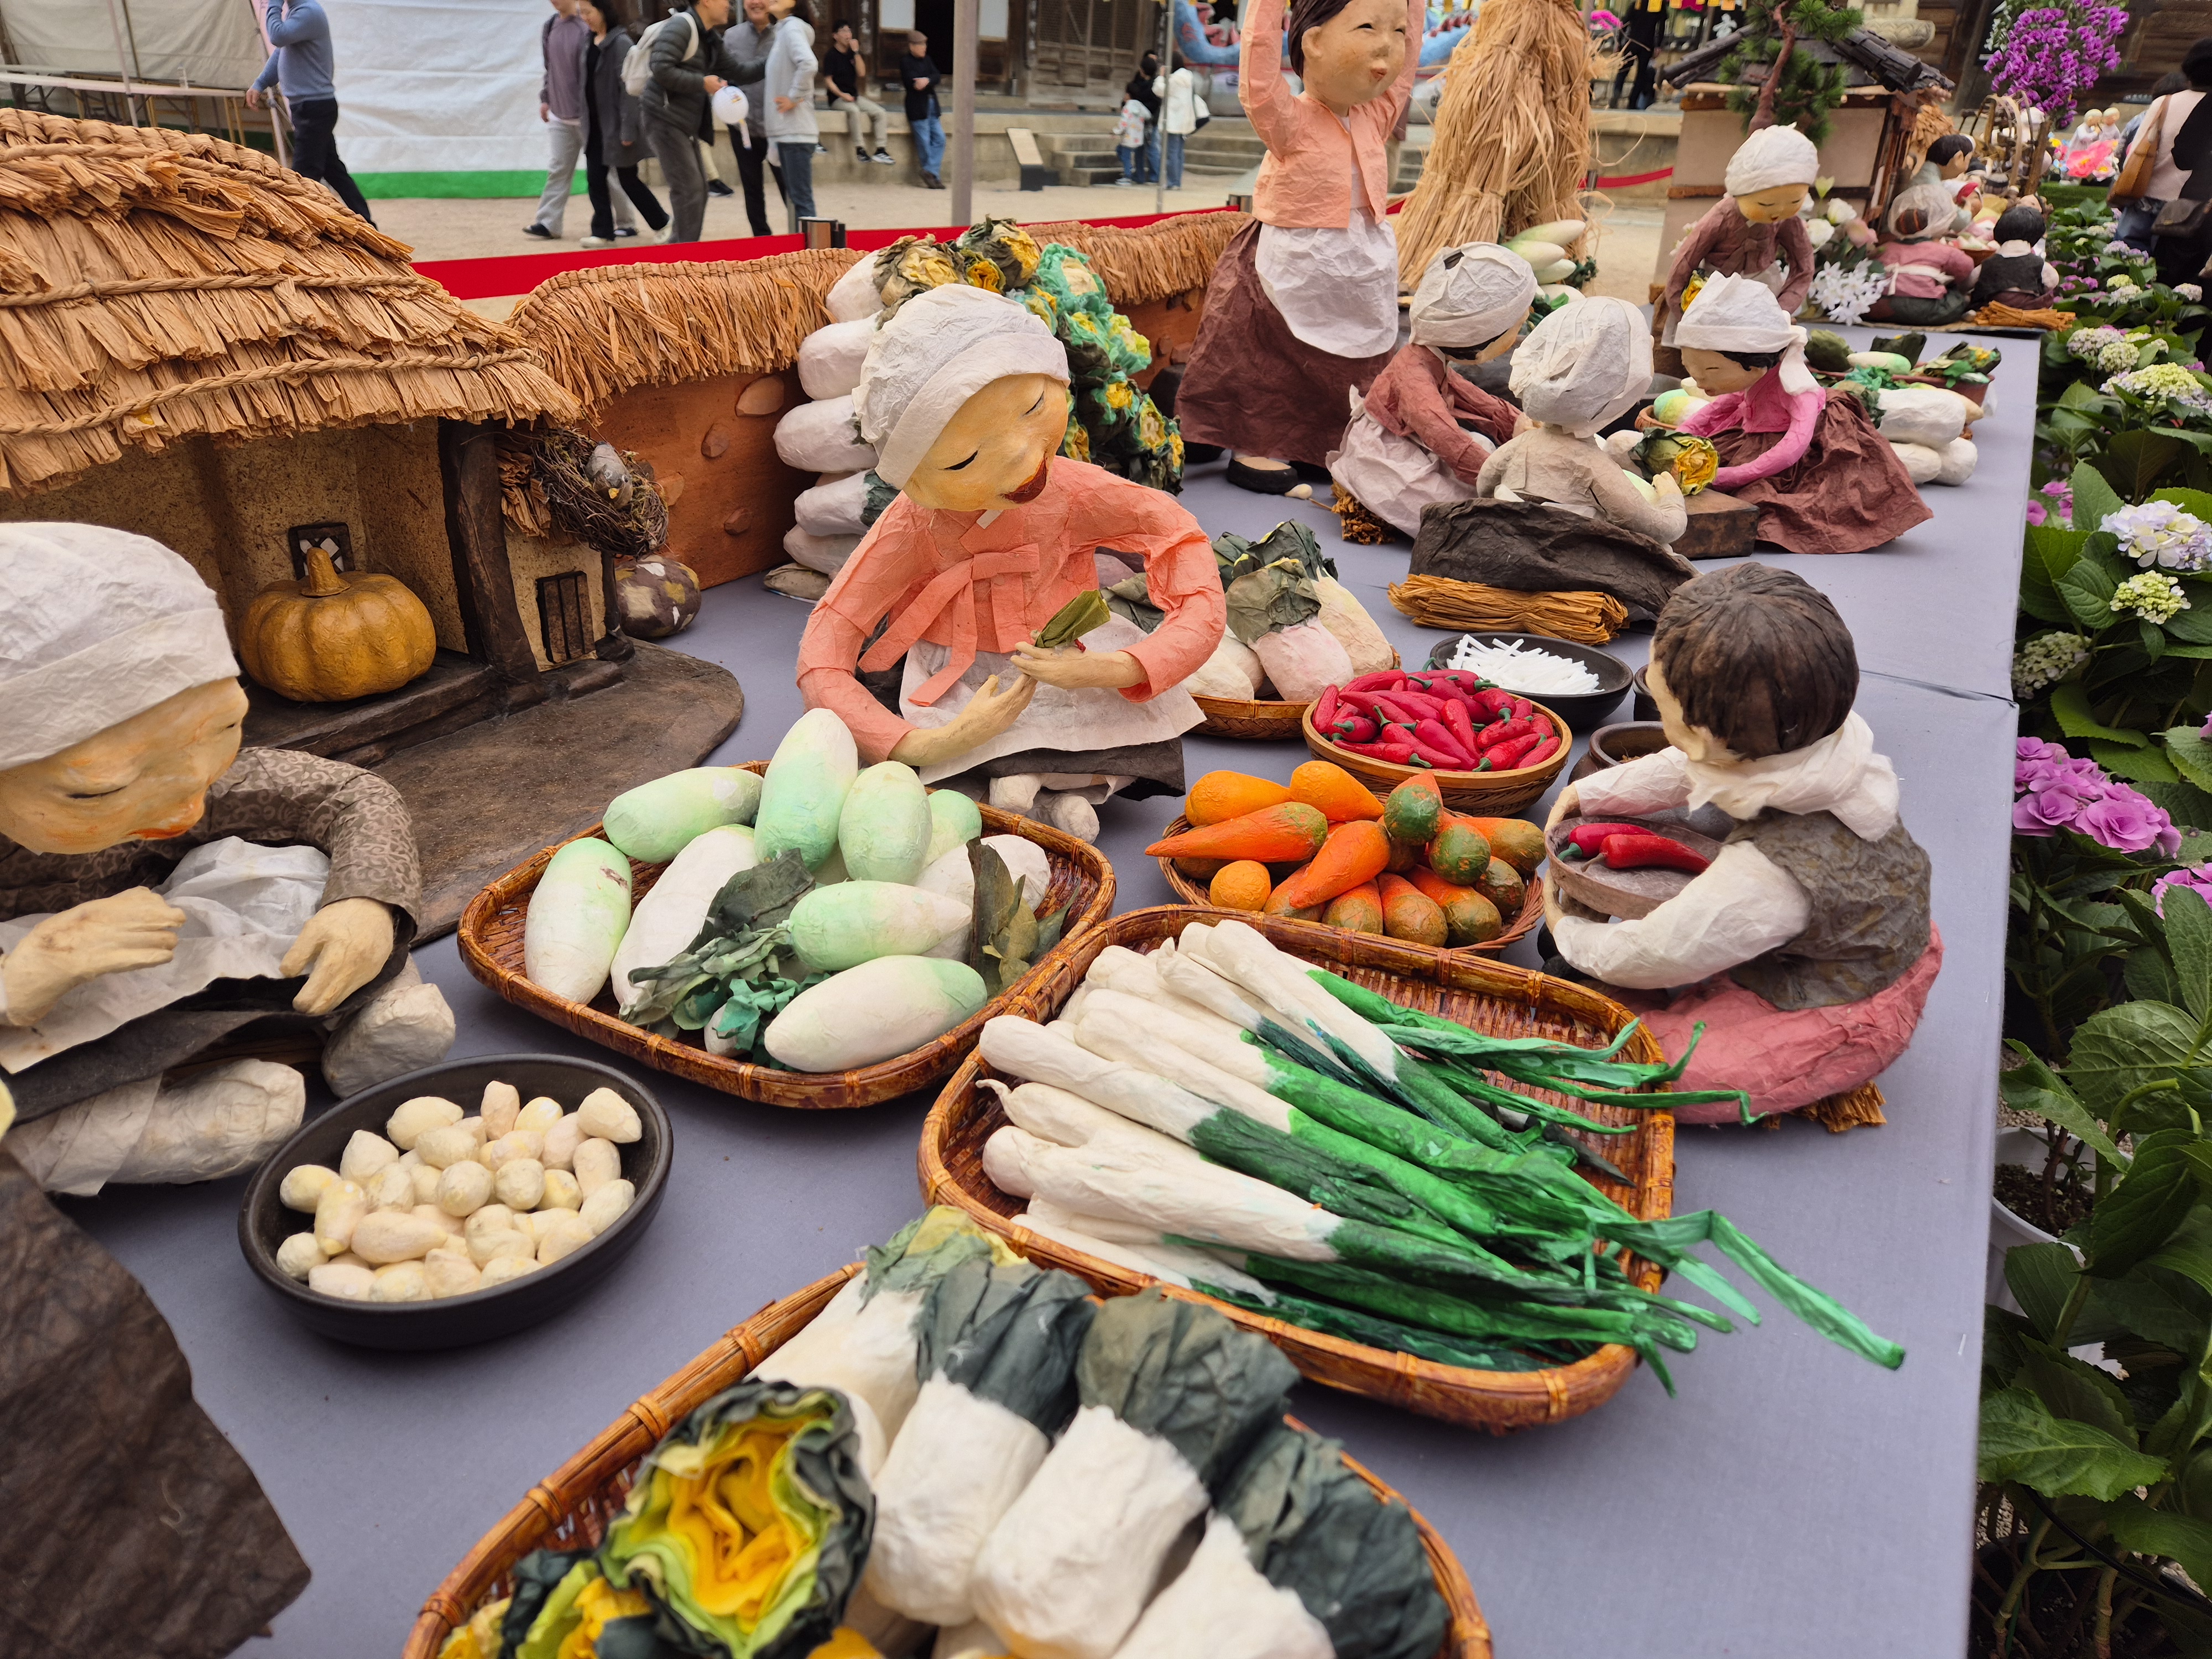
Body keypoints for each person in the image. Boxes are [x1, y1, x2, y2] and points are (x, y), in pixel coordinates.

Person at [796, 286, 1226, 843]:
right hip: (955, 672)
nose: (1024, 460)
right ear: (914, 478)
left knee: (1131, 735)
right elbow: (824, 649)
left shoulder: (1073, 493)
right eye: (964, 460)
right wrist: (933, 743)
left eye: (1033, 408)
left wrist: (1121, 668)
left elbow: (1180, 541)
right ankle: (1036, 793)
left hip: (1065, 659)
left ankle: (1041, 791)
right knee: (946, 760)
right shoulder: (913, 524)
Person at [1544, 565, 1940, 1124]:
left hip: (1838, 992)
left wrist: (1569, 931)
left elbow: (1659, 952)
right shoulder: (1801, 743)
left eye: (1663, 694)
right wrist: (1590, 793)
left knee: (1665, 1071)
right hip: (1819, 933)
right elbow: (1687, 764)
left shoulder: (1771, 872)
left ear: (1706, 732)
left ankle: (1822, 1042)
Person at [1175, 0, 1426, 493]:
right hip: (1291, 260)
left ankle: (1317, 440)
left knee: (1344, 367)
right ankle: (1252, 444)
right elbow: (1259, 72)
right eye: (1368, 27)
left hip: (1360, 263)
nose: (1387, 46)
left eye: (1396, 32)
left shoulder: (1376, 115)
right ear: (1312, 42)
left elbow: (1407, 67)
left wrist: (1412, 7)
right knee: (1266, 358)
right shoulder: (1289, 118)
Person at [1670, 274, 1930, 555]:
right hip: (1757, 436)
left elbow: (1790, 450)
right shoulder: (1755, 379)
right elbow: (1720, 409)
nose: (1699, 380)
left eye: (1711, 370)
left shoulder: (1798, 392)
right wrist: (1674, 439)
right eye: (1691, 368)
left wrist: (1731, 475)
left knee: (1771, 504)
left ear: (1754, 364)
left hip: (1806, 452)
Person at [1329, 242, 1536, 537]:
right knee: (1444, 506)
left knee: (1483, 449)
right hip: (1389, 450)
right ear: (1478, 336)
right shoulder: (1415, 375)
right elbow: (1442, 433)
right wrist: (1496, 476)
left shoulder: (1430, 357)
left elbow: (1470, 396)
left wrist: (1515, 421)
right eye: (1516, 328)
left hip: (1416, 438)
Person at [1476, 296, 1688, 547]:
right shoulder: (1592, 467)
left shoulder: (1521, 445)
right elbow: (1660, 528)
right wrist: (1672, 501)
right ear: (1618, 387)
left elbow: (1484, 486)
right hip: (1568, 558)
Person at [1658, 122, 1818, 347]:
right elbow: (1685, 261)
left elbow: (1804, 267)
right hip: (1716, 292)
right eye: (1766, 204)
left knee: (1757, 349)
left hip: (1764, 293)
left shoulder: (1787, 220)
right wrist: (1683, 309)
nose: (1778, 212)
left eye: (1795, 202)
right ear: (1741, 191)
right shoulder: (1721, 218)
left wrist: (1782, 310)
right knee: (1711, 348)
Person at [246, 0, 375, 224]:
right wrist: (260, 83)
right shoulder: (299, 13)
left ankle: (298, 227)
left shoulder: (308, 12)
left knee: (303, 175)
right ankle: (367, 223)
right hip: (311, 107)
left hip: (314, 108)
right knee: (333, 169)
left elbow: (277, 37)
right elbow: (281, 51)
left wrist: (274, 5)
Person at [526, 0, 632, 241]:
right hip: (559, 113)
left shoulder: (586, 26)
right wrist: (546, 98)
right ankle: (548, 223)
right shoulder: (550, 26)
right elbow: (550, 67)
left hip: (589, 115)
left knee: (608, 173)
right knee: (558, 168)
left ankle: (626, 222)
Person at [643, 0, 747, 243]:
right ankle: (682, 254)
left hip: (685, 122)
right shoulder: (681, 26)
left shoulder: (709, 36)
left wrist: (773, 59)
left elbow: (738, 71)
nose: (729, 5)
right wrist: (702, 83)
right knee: (689, 189)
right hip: (664, 117)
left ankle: (683, 250)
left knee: (698, 189)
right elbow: (660, 67)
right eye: (725, 0)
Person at [2118, 39, 2212, 281]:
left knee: (2127, 266)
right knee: (2169, 277)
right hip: (2188, 210)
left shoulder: (2166, 102)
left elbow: (2135, 151)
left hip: (2147, 197)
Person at [578, 0, 669, 248]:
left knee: (628, 179)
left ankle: (663, 223)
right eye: (581, 13)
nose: (585, 18)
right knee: (596, 179)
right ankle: (603, 232)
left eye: (588, 12)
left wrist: (628, 129)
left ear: (602, 10)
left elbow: (630, 91)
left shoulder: (621, 43)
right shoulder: (588, 41)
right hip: (594, 125)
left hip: (616, 126)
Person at [1867, 182, 1976, 325]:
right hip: (1923, 311)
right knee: (1956, 294)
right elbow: (1967, 268)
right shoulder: (1945, 251)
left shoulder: (1885, 248)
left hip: (1879, 307)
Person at [720, 0, 783, 236]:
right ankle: (762, 240)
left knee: (791, 189)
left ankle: (801, 241)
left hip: (779, 129)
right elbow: (721, 74)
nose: (756, 2)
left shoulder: (784, 35)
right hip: (743, 128)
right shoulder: (731, 37)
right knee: (752, 189)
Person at [2116, 70, 2190, 248]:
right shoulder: (2191, 120)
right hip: (2175, 199)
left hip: (2140, 192)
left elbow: (2121, 153)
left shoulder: (2140, 119)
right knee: (2163, 252)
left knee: (2126, 250)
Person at [762, 0, 820, 228]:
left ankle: (814, 249)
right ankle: (802, 248)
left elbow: (808, 64)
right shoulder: (783, 30)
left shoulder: (793, 27)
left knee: (802, 203)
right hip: (787, 132)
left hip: (796, 131)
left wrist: (794, 97)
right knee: (796, 203)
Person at [826, 20, 894, 164]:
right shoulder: (831, 55)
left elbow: (862, 73)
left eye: (849, 31)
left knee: (880, 112)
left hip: (854, 96)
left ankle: (881, 150)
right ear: (835, 36)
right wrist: (842, 95)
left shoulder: (852, 54)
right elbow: (829, 81)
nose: (848, 35)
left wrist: (856, 52)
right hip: (837, 98)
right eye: (843, 31)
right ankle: (860, 149)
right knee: (854, 111)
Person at [901, 32, 947, 189]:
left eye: (925, 44)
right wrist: (926, 81)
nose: (924, 48)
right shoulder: (906, 62)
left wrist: (927, 80)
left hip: (932, 105)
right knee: (925, 143)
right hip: (917, 107)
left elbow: (936, 76)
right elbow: (913, 82)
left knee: (940, 139)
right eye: (921, 45)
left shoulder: (928, 60)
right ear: (912, 46)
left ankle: (929, 171)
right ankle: (934, 177)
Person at [1154, 53, 1199, 188]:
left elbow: (1159, 90)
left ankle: (1172, 181)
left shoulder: (1175, 80)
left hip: (1172, 121)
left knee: (1171, 153)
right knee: (1178, 152)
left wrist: (1161, 77)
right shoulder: (1187, 77)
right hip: (1183, 121)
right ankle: (1176, 181)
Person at [1611, 0, 1662, 111]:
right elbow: (1661, 26)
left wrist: (1619, 42)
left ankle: (1617, 91)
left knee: (1623, 71)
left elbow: (1624, 23)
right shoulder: (1658, 5)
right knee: (1641, 75)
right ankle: (1632, 102)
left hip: (1631, 43)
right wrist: (1658, 45)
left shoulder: (1637, 4)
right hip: (1647, 45)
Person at [1127, 50, 1164, 182]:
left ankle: (1155, 175)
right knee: (1141, 148)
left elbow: (1149, 102)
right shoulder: (1146, 82)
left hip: (1148, 121)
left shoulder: (1152, 85)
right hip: (1142, 120)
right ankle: (1142, 175)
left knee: (1151, 148)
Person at [1113, 92, 1150, 186]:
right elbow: (1148, 115)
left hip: (1128, 136)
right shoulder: (1140, 105)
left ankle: (1128, 175)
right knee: (1139, 158)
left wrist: (1116, 131)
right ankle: (1139, 177)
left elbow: (1124, 122)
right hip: (1139, 136)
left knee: (1124, 155)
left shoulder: (1128, 107)